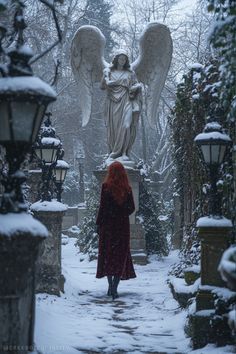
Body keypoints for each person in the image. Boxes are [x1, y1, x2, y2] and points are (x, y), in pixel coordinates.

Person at [96, 161, 136, 299]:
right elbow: (132, 208)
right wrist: (121, 213)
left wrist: (99, 223)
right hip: (122, 227)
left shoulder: (105, 187)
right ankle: (115, 287)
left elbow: (102, 207)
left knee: (108, 255)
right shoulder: (128, 189)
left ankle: (110, 286)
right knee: (120, 255)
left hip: (108, 226)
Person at [101, 50, 142, 161]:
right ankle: (115, 151)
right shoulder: (109, 71)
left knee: (126, 125)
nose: (122, 61)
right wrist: (105, 78)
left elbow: (135, 85)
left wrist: (138, 87)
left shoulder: (130, 73)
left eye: (124, 59)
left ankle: (124, 152)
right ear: (116, 59)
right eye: (120, 58)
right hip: (113, 102)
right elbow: (102, 86)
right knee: (114, 128)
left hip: (126, 100)